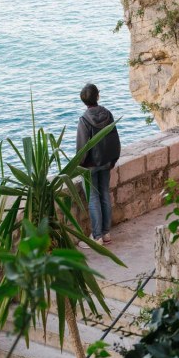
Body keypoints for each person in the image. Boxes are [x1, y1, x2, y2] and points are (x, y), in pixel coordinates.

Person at [76, 83, 120, 245]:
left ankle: (97, 237)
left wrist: (79, 165)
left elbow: (82, 146)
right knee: (105, 194)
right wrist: (113, 159)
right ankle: (106, 233)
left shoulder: (84, 120)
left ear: (83, 101)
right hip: (106, 161)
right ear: (98, 96)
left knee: (93, 198)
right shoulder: (108, 114)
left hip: (90, 165)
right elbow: (115, 139)